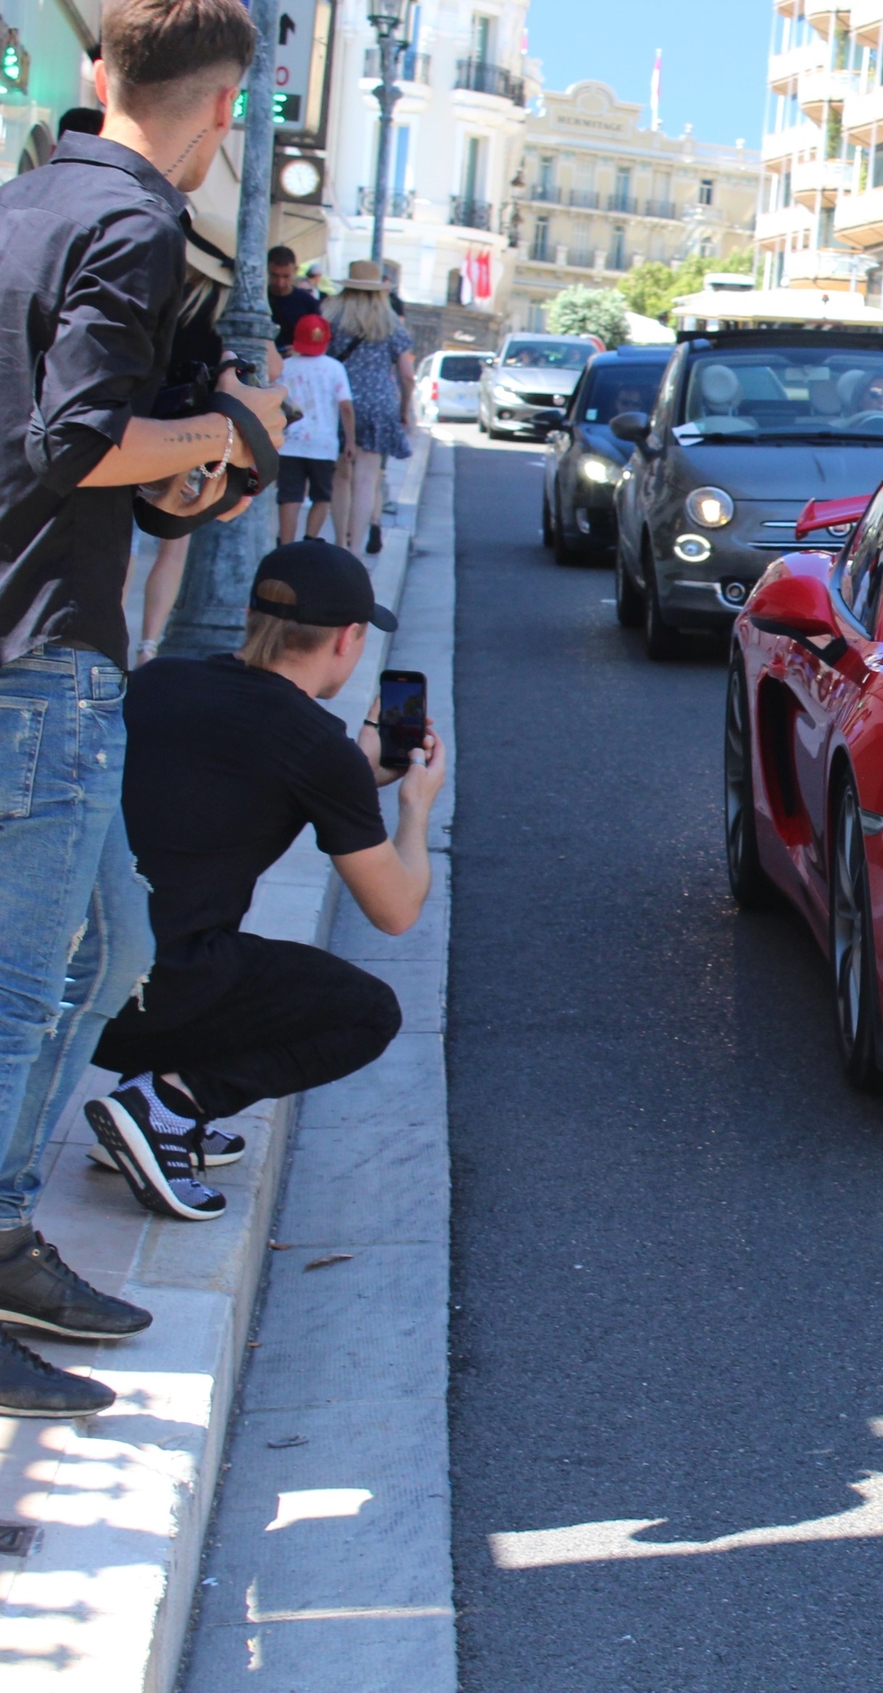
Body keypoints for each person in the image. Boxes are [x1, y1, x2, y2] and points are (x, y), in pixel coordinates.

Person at [0, 0, 279, 1420]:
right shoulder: (137, 225)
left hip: (38, 641)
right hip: (45, 658)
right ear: (226, 112)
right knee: (24, 994)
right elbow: (75, 440)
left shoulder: (22, 202)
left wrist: (192, 461)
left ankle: (4, 1231)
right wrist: (233, 433)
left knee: (106, 953)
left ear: (101, 72)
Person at [87, 541, 437, 1221]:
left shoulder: (158, 681)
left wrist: (351, 776)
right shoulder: (315, 747)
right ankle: (165, 1103)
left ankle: (142, 1111)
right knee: (367, 1011)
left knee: (217, 945)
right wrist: (413, 808)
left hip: (73, 994)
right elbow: (396, 909)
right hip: (158, 995)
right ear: (348, 639)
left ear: (252, 616)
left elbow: (231, 775)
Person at [132, 209, 243, 663]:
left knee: (123, 545)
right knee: (171, 548)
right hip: (191, 441)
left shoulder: (157, 300)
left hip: (140, 432)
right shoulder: (223, 323)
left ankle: (113, 642)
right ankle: (148, 644)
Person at [322, 259, 413, 555]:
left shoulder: (332, 319)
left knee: (341, 476)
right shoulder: (391, 325)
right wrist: (404, 410)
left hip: (340, 403)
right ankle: (356, 553)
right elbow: (407, 376)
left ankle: (338, 544)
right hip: (379, 405)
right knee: (366, 480)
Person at [276, 313, 352, 545]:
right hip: (323, 444)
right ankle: (309, 541)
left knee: (290, 497)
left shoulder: (284, 367)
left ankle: (285, 545)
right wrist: (350, 441)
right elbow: (346, 407)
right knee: (322, 496)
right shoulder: (335, 368)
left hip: (289, 442)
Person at [266, 243, 321, 348]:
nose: (280, 282)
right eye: (274, 275)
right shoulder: (258, 299)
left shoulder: (308, 303)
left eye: (286, 276)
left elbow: (317, 336)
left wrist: (300, 348)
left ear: (295, 271)